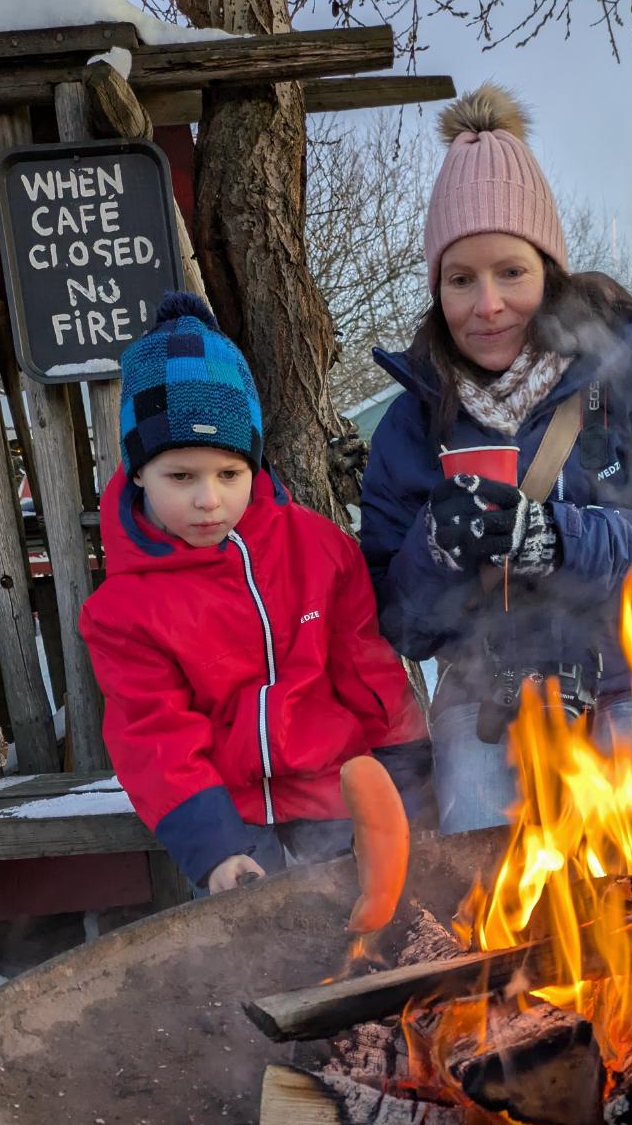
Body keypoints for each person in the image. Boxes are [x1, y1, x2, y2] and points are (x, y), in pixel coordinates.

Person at [360, 84, 632, 834]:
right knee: (486, 877)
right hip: (489, 699)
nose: (487, 304)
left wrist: (566, 539)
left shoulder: (631, 380)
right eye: (460, 279)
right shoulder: (411, 424)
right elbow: (403, 627)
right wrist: (437, 547)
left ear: (549, 271)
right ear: (437, 291)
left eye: (511, 272)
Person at [80, 292, 430, 894]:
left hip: (336, 788)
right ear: (137, 472)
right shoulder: (124, 611)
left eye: (229, 473)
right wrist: (216, 849)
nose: (208, 499)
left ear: (256, 465)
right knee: (255, 952)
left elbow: (368, 671)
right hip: (228, 810)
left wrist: (406, 779)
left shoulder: (318, 550)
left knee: (375, 922)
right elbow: (154, 734)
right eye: (180, 476)